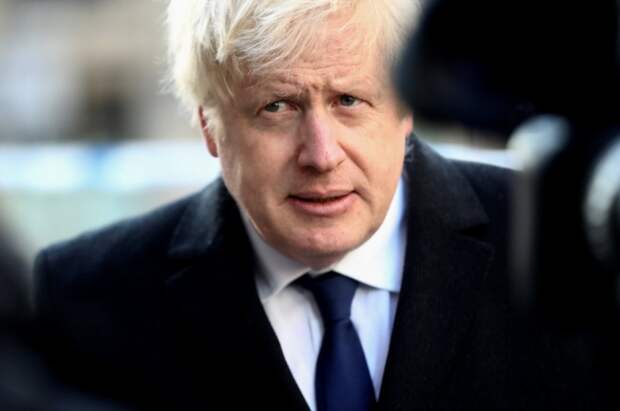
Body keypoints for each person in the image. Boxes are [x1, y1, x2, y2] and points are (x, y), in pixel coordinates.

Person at [33, 1, 609, 410]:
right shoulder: (84, 298)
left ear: (406, 109)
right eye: (277, 107)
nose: (322, 154)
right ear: (209, 126)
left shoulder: (573, 248)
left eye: (349, 100)